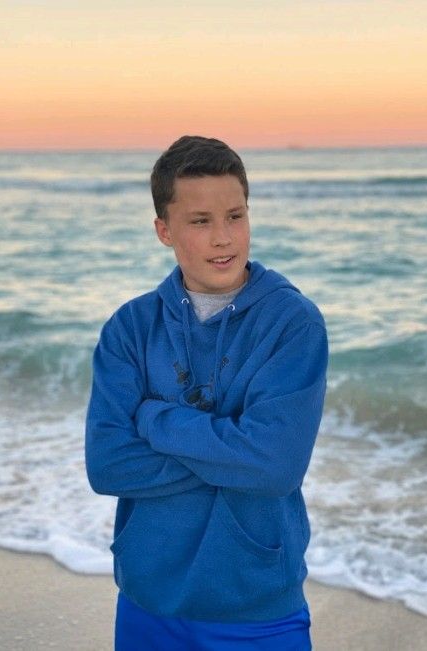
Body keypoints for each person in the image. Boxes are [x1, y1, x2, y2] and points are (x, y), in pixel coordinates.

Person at [85, 135, 328, 650]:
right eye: (201, 222)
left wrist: (155, 422)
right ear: (164, 230)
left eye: (235, 216)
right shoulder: (129, 328)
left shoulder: (292, 324)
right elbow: (108, 464)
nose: (224, 238)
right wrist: (233, 451)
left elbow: (275, 467)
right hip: (147, 598)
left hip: (255, 603)